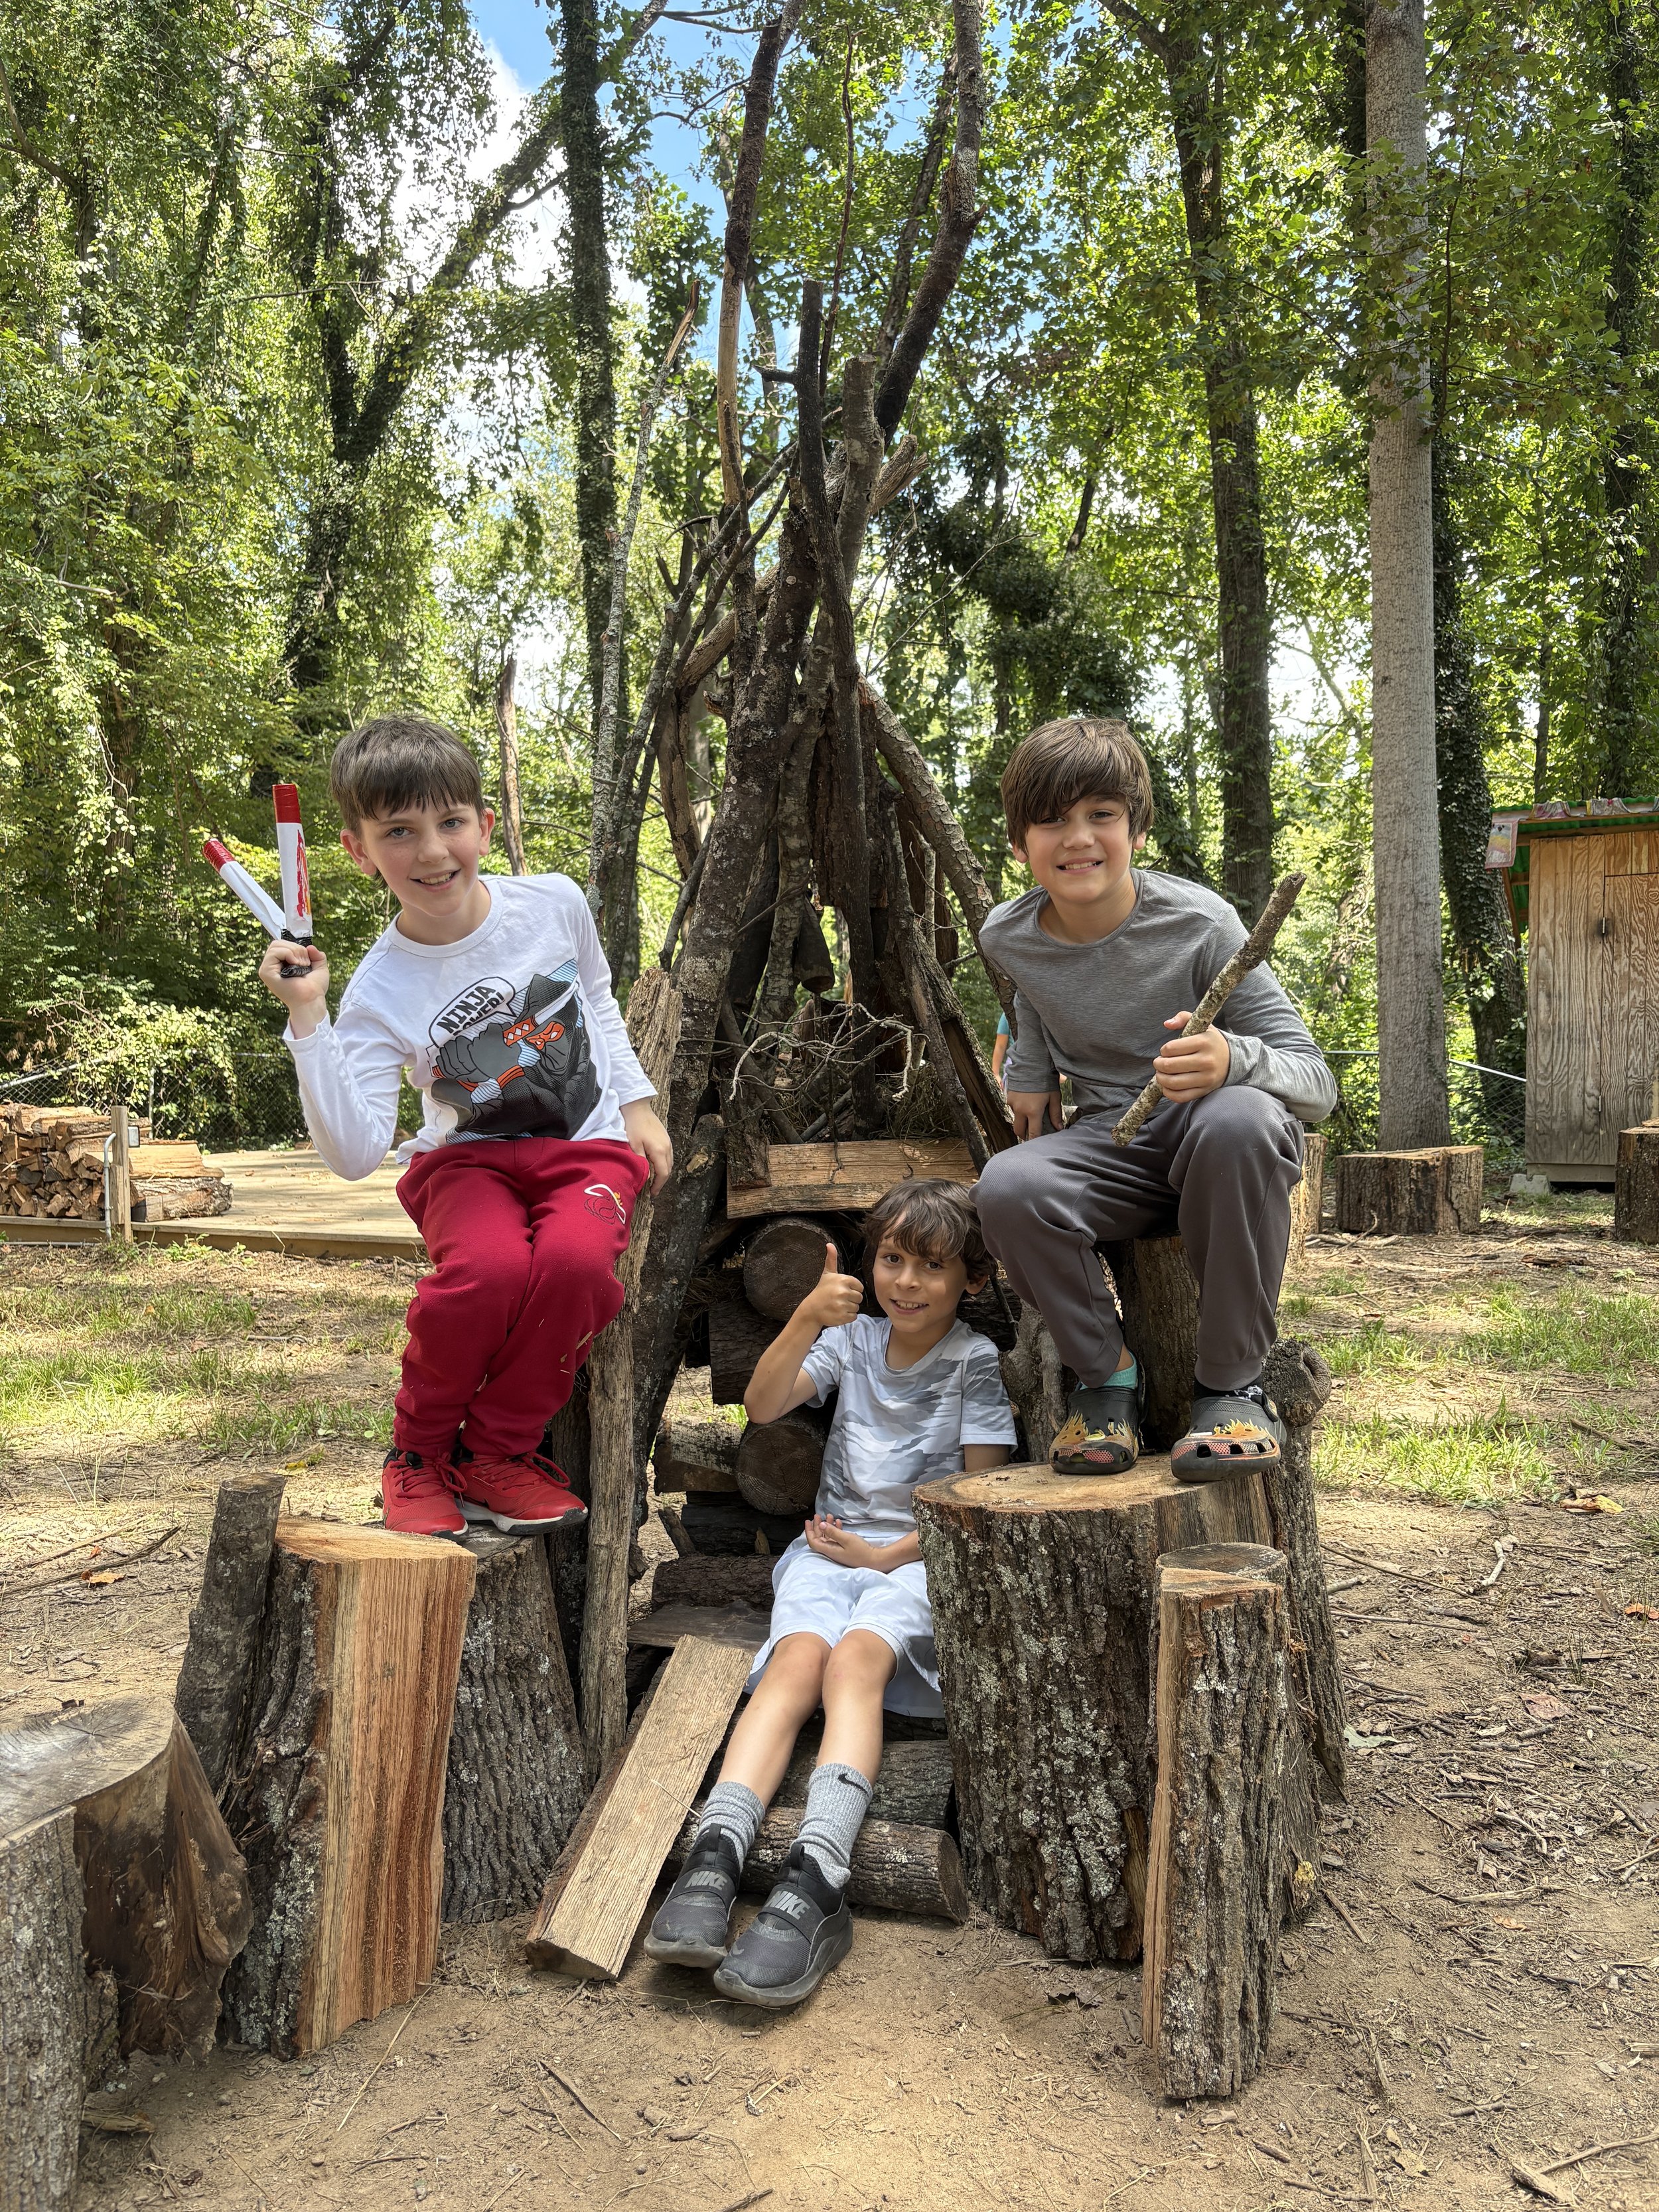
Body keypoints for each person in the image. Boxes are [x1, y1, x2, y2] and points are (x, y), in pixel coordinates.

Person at [256, 712, 672, 1538]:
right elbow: (354, 1154)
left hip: (583, 1143)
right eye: (399, 833)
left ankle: (496, 1453)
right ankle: (415, 1454)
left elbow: (594, 997)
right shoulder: (378, 991)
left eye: (450, 823)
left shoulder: (553, 903)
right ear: (358, 850)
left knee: (574, 1267)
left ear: (484, 825)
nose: (433, 851)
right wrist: (309, 1019)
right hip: (466, 1164)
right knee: (484, 1273)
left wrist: (638, 1103)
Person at [646, 1179, 1015, 2008]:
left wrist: (885, 1555)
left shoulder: (973, 1362)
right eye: (892, 1260)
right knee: (794, 1664)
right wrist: (808, 1317)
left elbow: (974, 1498)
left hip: (915, 1559)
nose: (907, 1283)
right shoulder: (852, 1346)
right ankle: (716, 1854)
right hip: (827, 1554)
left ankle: (816, 1879)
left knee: (853, 1666)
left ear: (970, 1282)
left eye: (931, 1266)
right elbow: (766, 1402)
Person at [974, 715, 1334, 1481]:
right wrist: (1030, 1067)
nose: (1077, 838)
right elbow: (1035, 991)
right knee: (1007, 1185)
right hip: (1115, 1146)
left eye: (1101, 815)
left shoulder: (1202, 925)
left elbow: (1315, 1081)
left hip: (1219, 1149)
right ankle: (1106, 1378)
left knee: (1240, 1119)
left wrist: (1231, 1057)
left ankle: (1230, 1385)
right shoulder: (1006, 934)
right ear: (1018, 845)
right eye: (1051, 820)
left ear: (1136, 831)